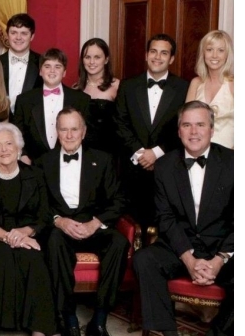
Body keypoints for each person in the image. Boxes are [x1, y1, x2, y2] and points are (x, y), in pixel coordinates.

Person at [133, 101, 233, 336]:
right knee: (144, 259)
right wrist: (188, 258)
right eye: (187, 125)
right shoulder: (165, 166)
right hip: (181, 243)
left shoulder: (234, 162)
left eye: (200, 124)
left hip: (221, 246)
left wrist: (219, 259)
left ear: (211, 129)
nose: (193, 131)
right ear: (178, 131)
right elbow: (165, 218)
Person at [37, 108, 129, 336]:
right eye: (64, 129)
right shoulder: (43, 162)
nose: (69, 135)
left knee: (119, 242)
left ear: (84, 131)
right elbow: (38, 204)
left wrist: (95, 223)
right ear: (56, 131)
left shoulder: (103, 159)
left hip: (93, 225)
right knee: (54, 241)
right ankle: (69, 322)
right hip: (61, 229)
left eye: (74, 129)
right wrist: (58, 221)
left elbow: (118, 200)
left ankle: (99, 323)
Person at [0, 122, 60, 336]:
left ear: (18, 147)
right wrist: (8, 237)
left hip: (28, 233)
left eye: (8, 144)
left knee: (35, 257)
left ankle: (40, 327)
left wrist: (25, 233)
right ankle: (21, 323)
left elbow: (44, 214)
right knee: (5, 254)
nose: (4, 150)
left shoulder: (35, 174)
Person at [114, 34, 189, 230]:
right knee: (132, 227)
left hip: (168, 168)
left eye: (164, 53)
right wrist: (141, 153)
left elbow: (184, 127)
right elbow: (120, 123)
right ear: (146, 55)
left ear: (171, 58)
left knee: (164, 225)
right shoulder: (128, 85)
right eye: (153, 51)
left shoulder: (184, 88)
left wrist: (156, 153)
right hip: (133, 170)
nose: (157, 57)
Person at [13, 48, 91, 163]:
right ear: (40, 71)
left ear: (64, 72)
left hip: (71, 162)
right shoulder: (24, 100)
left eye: (57, 67)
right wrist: (23, 155)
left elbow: (86, 134)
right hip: (34, 164)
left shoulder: (81, 99)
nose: (52, 71)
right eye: (47, 66)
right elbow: (17, 133)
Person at [186, 30, 233, 149]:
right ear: (203, 53)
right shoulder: (196, 83)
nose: (214, 55)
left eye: (220, 50)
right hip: (197, 151)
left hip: (229, 153)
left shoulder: (235, 84)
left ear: (227, 54)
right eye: (209, 49)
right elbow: (186, 121)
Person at [73, 38, 120, 154]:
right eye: (87, 57)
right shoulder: (75, 88)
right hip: (82, 150)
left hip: (109, 150)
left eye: (97, 57)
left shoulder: (117, 86)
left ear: (106, 59)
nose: (92, 62)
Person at [0, 13, 43, 114]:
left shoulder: (43, 63)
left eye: (24, 33)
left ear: (32, 36)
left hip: (32, 122)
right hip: (0, 121)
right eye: (14, 32)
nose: (18, 37)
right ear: (7, 35)